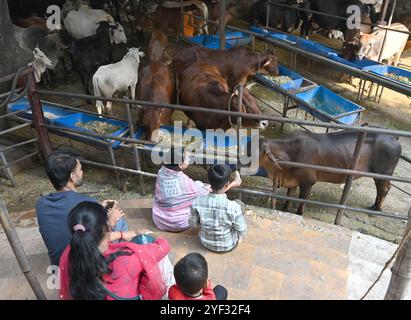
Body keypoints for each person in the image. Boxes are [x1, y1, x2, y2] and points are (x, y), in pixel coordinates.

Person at [36, 149, 133, 267]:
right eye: (80, 169)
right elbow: (99, 236)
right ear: (72, 176)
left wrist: (97, 208)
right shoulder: (86, 201)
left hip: (58, 267)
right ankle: (120, 263)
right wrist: (111, 220)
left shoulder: (41, 204)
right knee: (118, 219)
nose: (82, 172)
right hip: (84, 268)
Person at [59, 201, 172, 300]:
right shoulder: (126, 260)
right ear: (109, 226)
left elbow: (92, 238)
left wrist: (121, 234)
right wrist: (147, 233)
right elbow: (164, 246)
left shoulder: (68, 254)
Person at [190, 164, 246, 253]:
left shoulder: (196, 202)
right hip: (228, 245)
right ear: (227, 184)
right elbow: (242, 230)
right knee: (239, 204)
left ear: (209, 182)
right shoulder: (233, 207)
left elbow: (192, 224)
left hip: (205, 242)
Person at [152, 148, 211, 232]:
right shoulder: (182, 180)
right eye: (187, 159)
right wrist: (207, 189)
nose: (189, 159)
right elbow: (203, 193)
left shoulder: (161, 172)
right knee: (203, 193)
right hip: (179, 223)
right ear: (180, 164)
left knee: (197, 184)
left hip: (160, 219)